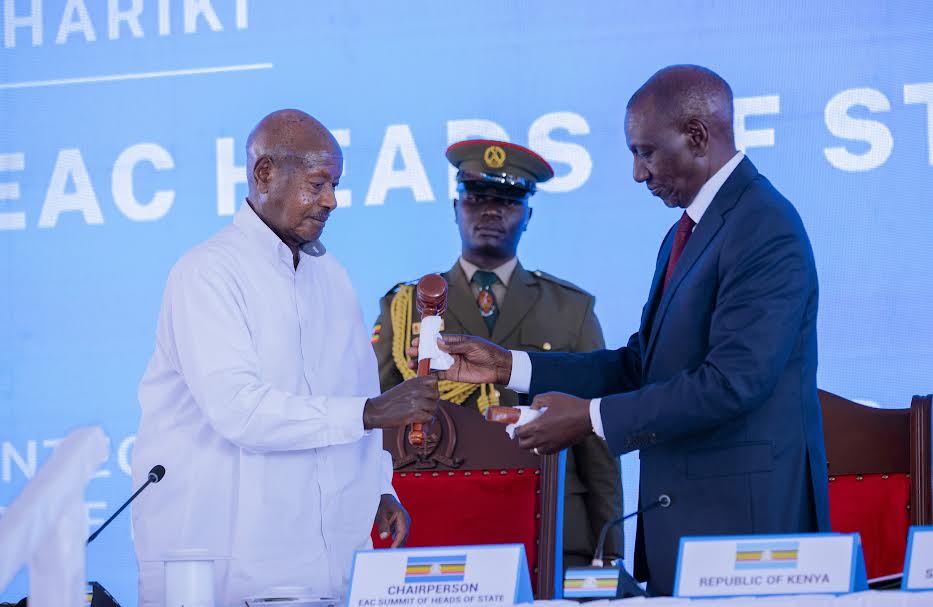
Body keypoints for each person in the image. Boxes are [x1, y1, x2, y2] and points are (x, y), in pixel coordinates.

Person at [423, 66, 831, 596]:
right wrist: (509, 365)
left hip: (746, 534)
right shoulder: (690, 230)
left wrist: (590, 418)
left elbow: (734, 383)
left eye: (646, 153)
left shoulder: (764, 226)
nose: (638, 174)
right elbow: (642, 365)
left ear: (697, 136)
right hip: (691, 529)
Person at [132, 109, 439, 606]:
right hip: (225, 569)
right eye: (317, 184)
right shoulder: (207, 273)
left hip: (323, 569)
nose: (332, 200)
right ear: (265, 174)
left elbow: (355, 392)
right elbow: (240, 410)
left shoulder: (332, 276)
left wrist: (380, 487)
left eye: (335, 185)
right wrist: (370, 412)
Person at [372, 140, 624, 568]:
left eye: (507, 201)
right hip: (440, 518)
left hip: (552, 522)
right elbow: (376, 422)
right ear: (456, 208)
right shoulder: (407, 305)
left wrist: (610, 547)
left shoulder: (571, 309)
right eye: (476, 198)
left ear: (529, 216)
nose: (490, 212)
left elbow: (595, 439)